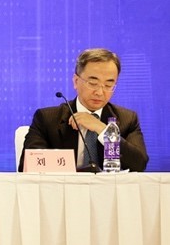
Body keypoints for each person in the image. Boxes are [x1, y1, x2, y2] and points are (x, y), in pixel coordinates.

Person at [19, 48, 148, 172]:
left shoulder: (127, 119)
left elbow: (139, 164)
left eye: (108, 85)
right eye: (92, 83)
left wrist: (103, 130)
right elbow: (27, 165)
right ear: (76, 81)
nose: (100, 92)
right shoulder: (47, 119)